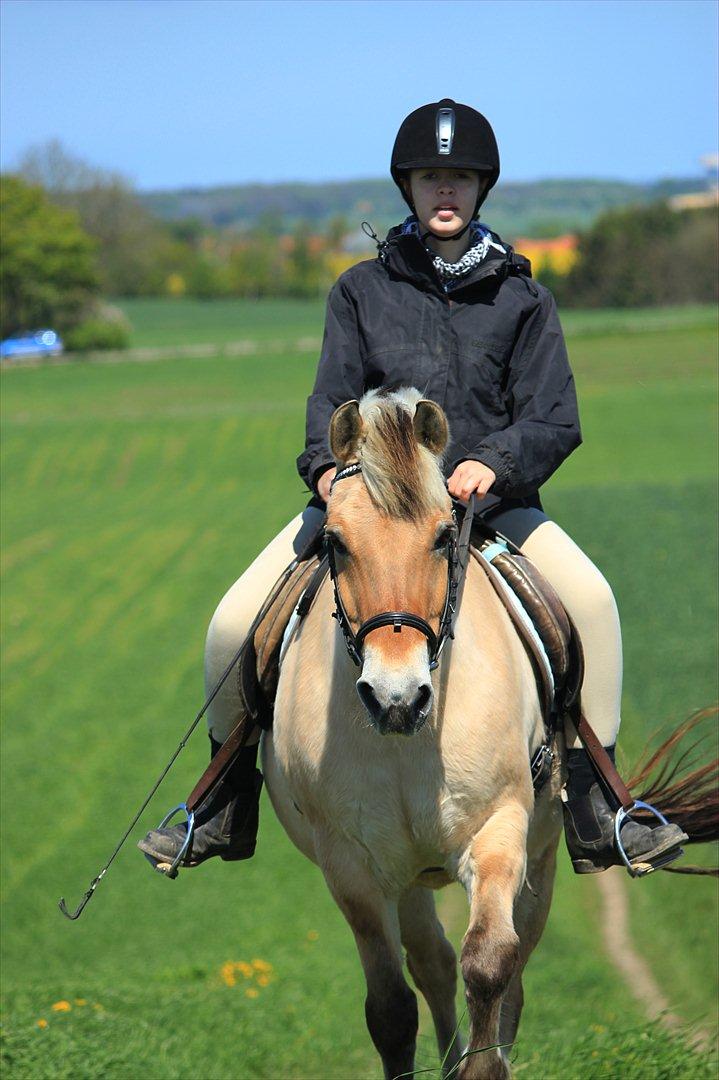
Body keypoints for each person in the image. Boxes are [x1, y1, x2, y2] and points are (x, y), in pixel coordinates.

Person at [139, 98, 686, 875]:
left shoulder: (523, 299)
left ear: (479, 190)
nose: (444, 192)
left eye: (458, 179)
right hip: (370, 511)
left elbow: (553, 419)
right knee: (231, 625)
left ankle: (601, 804)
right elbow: (328, 403)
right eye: (430, 177)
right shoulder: (359, 292)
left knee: (592, 603)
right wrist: (328, 474)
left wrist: (492, 462)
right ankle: (223, 802)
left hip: (490, 508)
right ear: (408, 186)